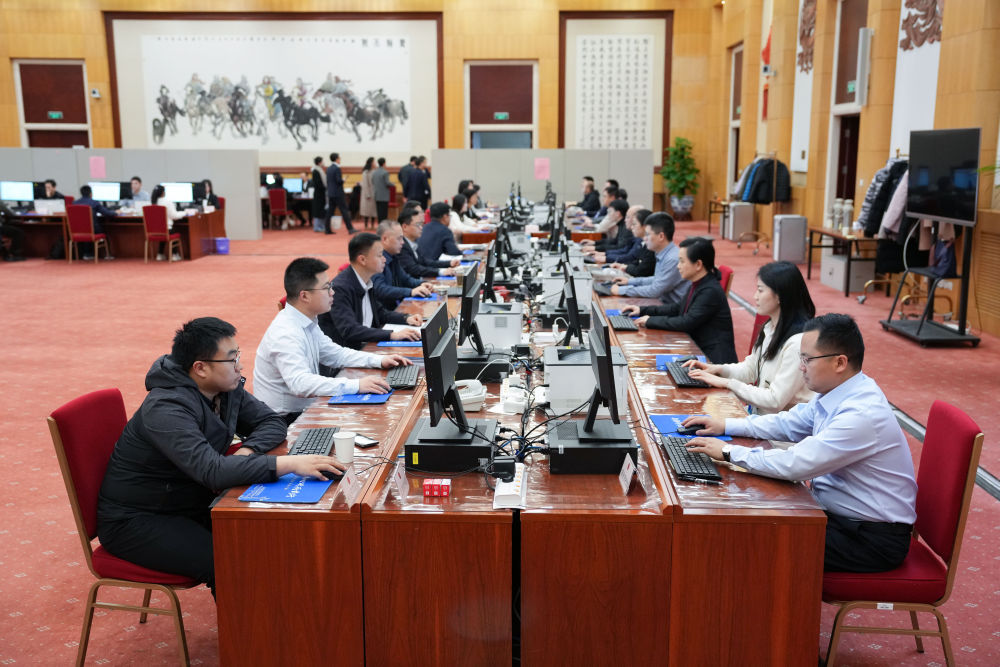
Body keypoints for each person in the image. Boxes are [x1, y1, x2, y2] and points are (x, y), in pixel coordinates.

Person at [97, 317, 346, 597]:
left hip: (188, 499)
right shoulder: (166, 407)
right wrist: (289, 464)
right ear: (200, 368)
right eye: (231, 359)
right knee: (229, 561)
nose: (240, 366)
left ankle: (290, 615)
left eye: (238, 355)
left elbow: (272, 423)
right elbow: (213, 472)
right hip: (137, 519)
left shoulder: (223, 388)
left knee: (269, 534)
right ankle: (250, 625)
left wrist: (247, 452)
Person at [684, 314, 918, 573]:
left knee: (751, 540)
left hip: (869, 538)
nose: (801, 368)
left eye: (807, 360)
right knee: (748, 519)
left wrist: (728, 451)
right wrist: (725, 425)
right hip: (839, 518)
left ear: (840, 362)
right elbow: (787, 423)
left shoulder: (861, 414)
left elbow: (795, 464)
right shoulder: (837, 392)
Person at [254, 257, 413, 423]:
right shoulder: (286, 333)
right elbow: (300, 384)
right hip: (284, 421)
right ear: (305, 296)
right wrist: (356, 385)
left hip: (305, 410)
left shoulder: (306, 320)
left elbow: (335, 354)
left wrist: (379, 360)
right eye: (326, 288)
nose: (332, 292)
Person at [684, 261, 816, 422]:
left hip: (781, 430)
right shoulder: (770, 327)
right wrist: (717, 369)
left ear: (780, 296)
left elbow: (775, 401)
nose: (755, 296)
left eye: (760, 290)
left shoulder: (797, 343)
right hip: (760, 419)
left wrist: (727, 383)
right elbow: (751, 369)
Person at [622, 236, 737, 363]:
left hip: (713, 360)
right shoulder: (698, 283)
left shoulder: (710, 291)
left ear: (698, 264)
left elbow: (686, 322)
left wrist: (650, 321)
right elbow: (677, 308)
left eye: (682, 261)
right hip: (697, 350)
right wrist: (642, 310)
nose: (678, 266)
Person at [319, 232, 423, 349]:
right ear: (362, 259)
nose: (384, 259)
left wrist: (406, 318)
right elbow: (349, 330)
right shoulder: (340, 288)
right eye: (379, 255)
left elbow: (380, 313)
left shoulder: (366, 281)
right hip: (347, 353)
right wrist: (392, 335)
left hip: (364, 345)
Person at [610, 212, 688, 304]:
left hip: (670, 307)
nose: (644, 238)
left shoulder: (672, 259)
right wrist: (630, 281)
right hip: (662, 303)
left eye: (647, 234)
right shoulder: (663, 253)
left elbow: (654, 290)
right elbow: (657, 279)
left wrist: (622, 290)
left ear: (661, 236)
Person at [372, 220, 433, 308]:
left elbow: (406, 279)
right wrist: (410, 292)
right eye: (399, 238)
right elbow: (380, 289)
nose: (403, 242)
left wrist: (422, 283)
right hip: (384, 312)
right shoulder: (375, 260)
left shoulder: (393, 256)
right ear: (385, 239)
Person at [397, 208, 460, 278]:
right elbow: (414, 269)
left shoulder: (413, 242)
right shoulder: (401, 245)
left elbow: (425, 262)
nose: (421, 228)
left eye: (421, 224)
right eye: (418, 225)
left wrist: (449, 263)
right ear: (405, 227)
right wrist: (440, 272)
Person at [73, 185, 117, 260]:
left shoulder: (74, 203)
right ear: (91, 193)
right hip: (92, 230)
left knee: (89, 229)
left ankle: (87, 254)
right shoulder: (94, 203)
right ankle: (107, 254)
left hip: (78, 231)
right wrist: (116, 212)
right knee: (104, 232)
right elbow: (107, 213)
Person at [150, 184, 185, 261]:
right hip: (167, 230)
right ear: (163, 192)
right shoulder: (167, 202)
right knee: (172, 231)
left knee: (165, 232)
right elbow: (174, 216)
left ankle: (160, 254)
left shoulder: (151, 203)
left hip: (154, 231)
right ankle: (174, 254)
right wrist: (185, 212)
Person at [326, 152, 355, 234]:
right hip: (338, 193)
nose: (340, 159)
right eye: (339, 158)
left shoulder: (328, 168)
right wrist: (344, 180)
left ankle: (327, 229)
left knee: (330, 212)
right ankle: (350, 228)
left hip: (331, 193)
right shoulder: (337, 168)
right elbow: (338, 181)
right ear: (336, 159)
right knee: (344, 210)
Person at [359, 156, 378, 229]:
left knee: (373, 211)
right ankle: (366, 225)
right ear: (371, 163)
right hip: (367, 194)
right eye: (374, 162)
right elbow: (365, 184)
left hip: (374, 193)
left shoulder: (375, 171)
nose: (375, 163)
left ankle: (372, 225)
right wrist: (368, 195)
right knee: (366, 211)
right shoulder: (365, 172)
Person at [372, 157, 392, 223]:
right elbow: (387, 183)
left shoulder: (374, 172)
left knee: (379, 211)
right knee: (384, 212)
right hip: (384, 195)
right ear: (384, 163)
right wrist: (393, 184)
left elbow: (372, 182)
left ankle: (380, 224)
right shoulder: (385, 172)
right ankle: (384, 225)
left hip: (377, 194)